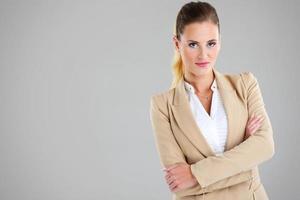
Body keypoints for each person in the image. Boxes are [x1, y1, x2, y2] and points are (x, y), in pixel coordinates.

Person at [149, 1, 275, 200]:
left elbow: (265, 146)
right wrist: (245, 160)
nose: (203, 55)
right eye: (193, 45)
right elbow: (180, 185)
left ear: (220, 41)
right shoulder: (163, 106)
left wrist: (194, 174)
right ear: (176, 44)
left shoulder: (245, 85)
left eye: (211, 43)